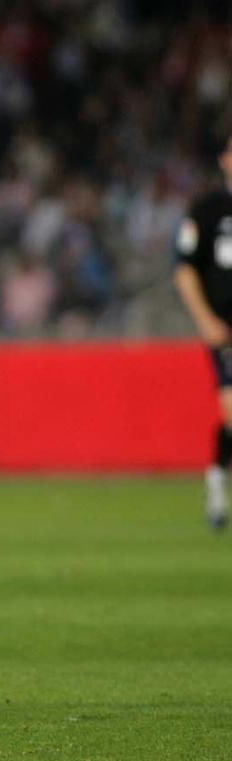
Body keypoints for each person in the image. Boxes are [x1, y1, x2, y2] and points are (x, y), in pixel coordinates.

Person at [174, 133, 232, 532]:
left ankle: (216, 472)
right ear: (225, 159)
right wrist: (205, 320)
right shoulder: (208, 210)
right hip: (226, 331)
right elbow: (184, 270)